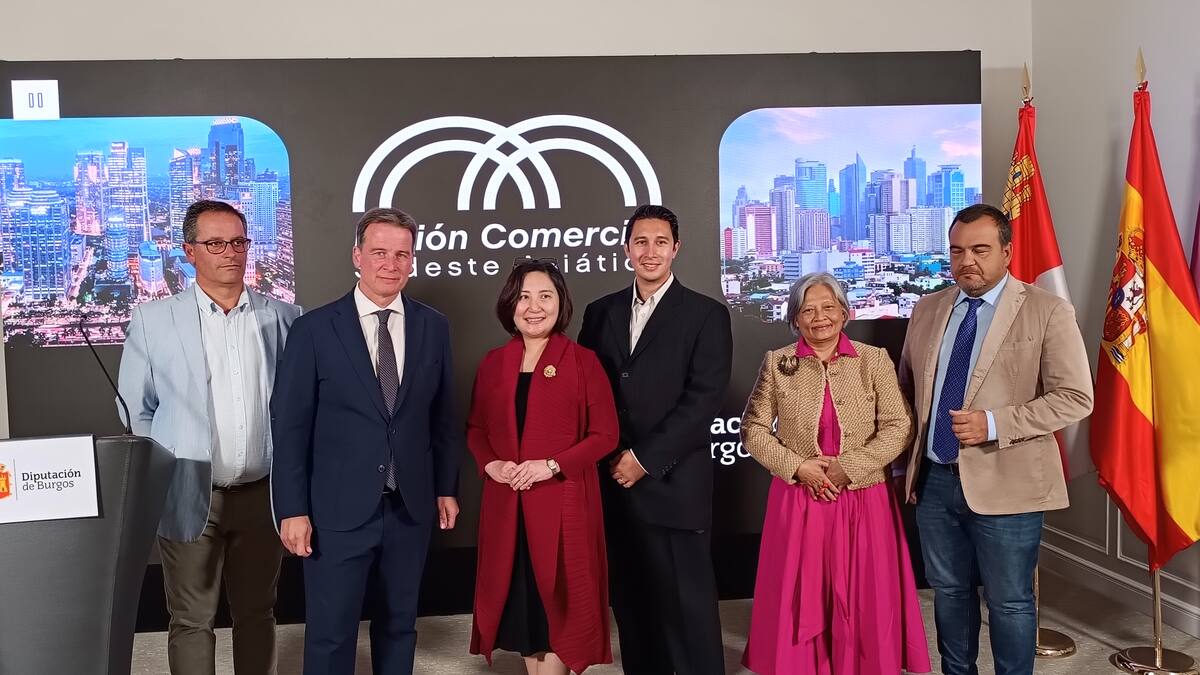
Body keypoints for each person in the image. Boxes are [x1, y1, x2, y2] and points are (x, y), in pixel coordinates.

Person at [897, 203, 1093, 675]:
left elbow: (1075, 398)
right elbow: (907, 390)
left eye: (980, 250)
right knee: (949, 593)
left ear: (1007, 252)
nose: (967, 261)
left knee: (1009, 602)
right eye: (957, 251)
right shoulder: (927, 308)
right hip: (935, 481)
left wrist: (993, 424)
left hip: (1010, 484)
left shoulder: (1047, 310)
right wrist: (903, 462)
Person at [270, 207, 462, 675]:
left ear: (412, 260)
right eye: (379, 253)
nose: (390, 264)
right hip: (335, 513)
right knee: (331, 633)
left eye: (401, 254)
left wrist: (446, 487)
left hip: (409, 508)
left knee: (399, 626)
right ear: (357, 256)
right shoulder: (314, 329)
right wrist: (292, 509)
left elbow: (444, 417)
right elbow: (290, 426)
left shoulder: (433, 326)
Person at [117, 200, 301, 675]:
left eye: (238, 241)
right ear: (189, 251)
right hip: (187, 489)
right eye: (215, 243)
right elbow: (136, 411)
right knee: (191, 619)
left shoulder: (286, 317)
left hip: (264, 494)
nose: (230, 252)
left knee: (258, 612)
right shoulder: (153, 320)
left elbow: (297, 408)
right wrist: (165, 472)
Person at [739, 272, 930, 675]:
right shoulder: (778, 362)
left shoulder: (873, 359)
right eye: (807, 310)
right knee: (798, 593)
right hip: (799, 498)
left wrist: (849, 467)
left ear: (845, 312)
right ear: (795, 319)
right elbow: (752, 430)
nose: (819, 317)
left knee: (865, 594)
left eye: (828, 307)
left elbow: (900, 425)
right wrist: (798, 467)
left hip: (864, 498)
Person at [578, 204, 732, 675]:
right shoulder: (599, 312)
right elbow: (586, 391)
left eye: (660, 242)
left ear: (676, 248)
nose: (650, 251)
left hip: (674, 485)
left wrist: (643, 458)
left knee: (688, 612)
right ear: (627, 249)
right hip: (613, 485)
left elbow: (703, 401)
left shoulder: (706, 314)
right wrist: (611, 456)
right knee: (633, 608)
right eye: (640, 242)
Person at [467, 259, 618, 675]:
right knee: (526, 619)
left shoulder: (583, 361)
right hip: (508, 510)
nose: (534, 307)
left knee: (560, 617)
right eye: (523, 297)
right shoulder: (494, 362)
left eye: (545, 296)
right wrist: (491, 465)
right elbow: (476, 429)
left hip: (561, 505)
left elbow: (605, 435)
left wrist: (551, 465)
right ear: (510, 305)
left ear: (560, 303)